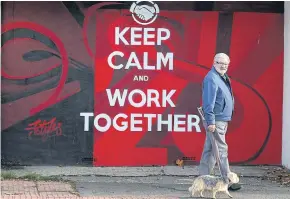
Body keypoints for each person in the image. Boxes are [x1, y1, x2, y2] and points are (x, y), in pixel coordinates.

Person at [199, 53, 241, 191]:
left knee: (210, 149)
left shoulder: (222, 77)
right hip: (216, 120)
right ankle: (227, 180)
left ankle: (203, 179)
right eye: (220, 63)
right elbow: (208, 102)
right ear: (214, 62)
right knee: (222, 149)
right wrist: (211, 121)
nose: (223, 66)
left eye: (226, 64)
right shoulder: (212, 78)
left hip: (221, 119)